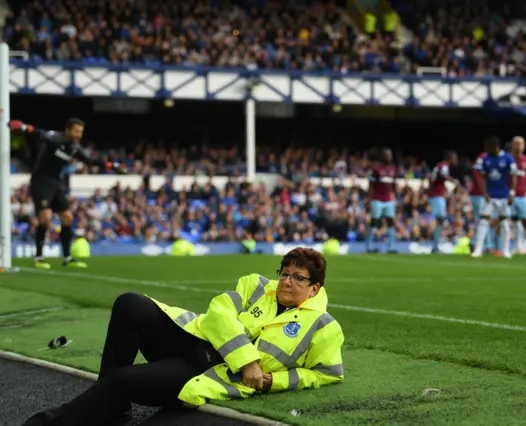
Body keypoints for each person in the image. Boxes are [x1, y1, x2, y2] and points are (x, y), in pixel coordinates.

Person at [22, 248, 344, 426]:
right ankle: (111, 403)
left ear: (315, 288)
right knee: (130, 303)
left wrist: (275, 382)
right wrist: (248, 360)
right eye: (284, 272)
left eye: (298, 277)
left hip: (207, 370)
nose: (287, 281)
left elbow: (326, 373)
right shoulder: (257, 285)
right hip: (190, 337)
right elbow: (219, 312)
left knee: (125, 378)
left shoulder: (323, 326)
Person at [8, 118, 125, 270]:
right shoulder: (55, 138)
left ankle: (67, 258)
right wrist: (23, 127)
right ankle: (39, 257)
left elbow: (90, 160)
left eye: (81, 132)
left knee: (67, 217)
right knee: (45, 217)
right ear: (68, 130)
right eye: (76, 131)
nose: (78, 135)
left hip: (56, 182)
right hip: (40, 181)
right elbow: (39, 133)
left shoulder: (74, 147)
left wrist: (112, 165)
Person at [471, 136, 517, 259]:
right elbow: (482, 177)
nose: (486, 150)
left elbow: (513, 177)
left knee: (504, 222)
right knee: (483, 221)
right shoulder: (486, 159)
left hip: (504, 195)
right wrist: (484, 192)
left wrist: (512, 193)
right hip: (490, 195)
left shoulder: (508, 158)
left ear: (495, 146)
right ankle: (478, 249)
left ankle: (506, 250)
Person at [427, 151, 460, 253]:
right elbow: (444, 175)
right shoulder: (444, 165)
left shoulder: (439, 165)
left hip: (435, 195)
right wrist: (453, 180)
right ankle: (435, 246)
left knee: (440, 220)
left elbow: (434, 179)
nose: (456, 160)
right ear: (450, 157)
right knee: (440, 220)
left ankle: (435, 246)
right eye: (455, 157)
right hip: (437, 196)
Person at [366, 148, 398, 253]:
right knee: (374, 222)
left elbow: (393, 185)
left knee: (391, 222)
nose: (390, 157)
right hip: (377, 199)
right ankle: (369, 246)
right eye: (387, 155)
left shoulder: (393, 169)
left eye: (391, 155)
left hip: (389, 200)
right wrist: (369, 197)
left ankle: (391, 247)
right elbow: (370, 183)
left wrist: (396, 197)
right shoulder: (376, 168)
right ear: (383, 156)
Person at [468, 152, 495, 253]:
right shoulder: (484, 157)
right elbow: (477, 173)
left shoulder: (487, 158)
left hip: (479, 195)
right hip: (480, 195)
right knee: (484, 219)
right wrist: (484, 190)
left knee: (483, 220)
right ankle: (485, 245)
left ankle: (478, 243)